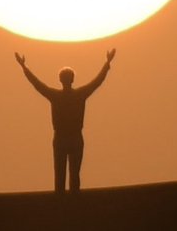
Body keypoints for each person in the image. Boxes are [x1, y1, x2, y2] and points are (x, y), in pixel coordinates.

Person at [15, 48, 116, 193]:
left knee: (61, 176)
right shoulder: (79, 95)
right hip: (72, 138)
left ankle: (62, 201)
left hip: (64, 138)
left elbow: (37, 85)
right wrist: (107, 64)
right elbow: (97, 82)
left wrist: (24, 67)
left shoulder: (57, 96)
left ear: (60, 80)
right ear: (72, 79)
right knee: (74, 175)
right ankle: (71, 201)